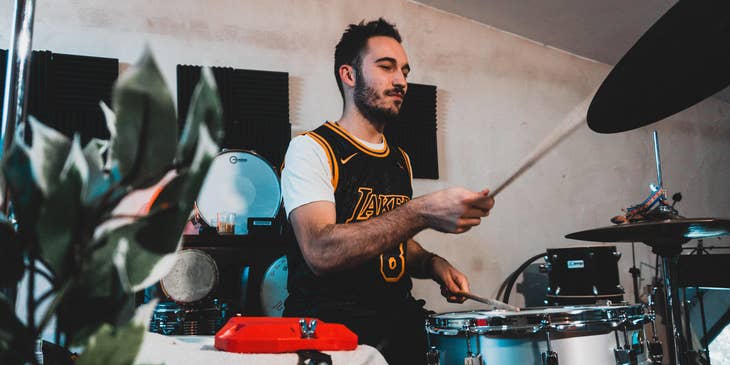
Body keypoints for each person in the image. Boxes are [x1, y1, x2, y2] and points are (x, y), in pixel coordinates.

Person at [281, 18, 494, 364]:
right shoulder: (311, 149)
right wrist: (421, 211)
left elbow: (390, 238)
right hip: (330, 337)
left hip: (398, 328)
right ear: (349, 75)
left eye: (405, 71)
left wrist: (431, 263)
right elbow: (320, 251)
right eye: (387, 67)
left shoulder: (399, 160)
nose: (401, 81)